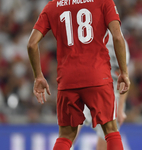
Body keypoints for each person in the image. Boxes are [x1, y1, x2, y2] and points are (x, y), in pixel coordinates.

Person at [27, 0, 130, 149]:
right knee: (111, 131)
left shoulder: (52, 6)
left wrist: (38, 76)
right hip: (97, 76)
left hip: (67, 79)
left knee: (66, 136)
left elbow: (31, 44)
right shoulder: (103, 2)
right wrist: (124, 72)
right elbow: (118, 37)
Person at [81, 30, 130, 150]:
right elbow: (124, 75)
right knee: (107, 134)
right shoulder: (118, 38)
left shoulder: (83, 33)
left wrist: (121, 107)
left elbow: (123, 75)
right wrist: (120, 107)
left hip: (91, 88)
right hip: (105, 92)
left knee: (72, 126)